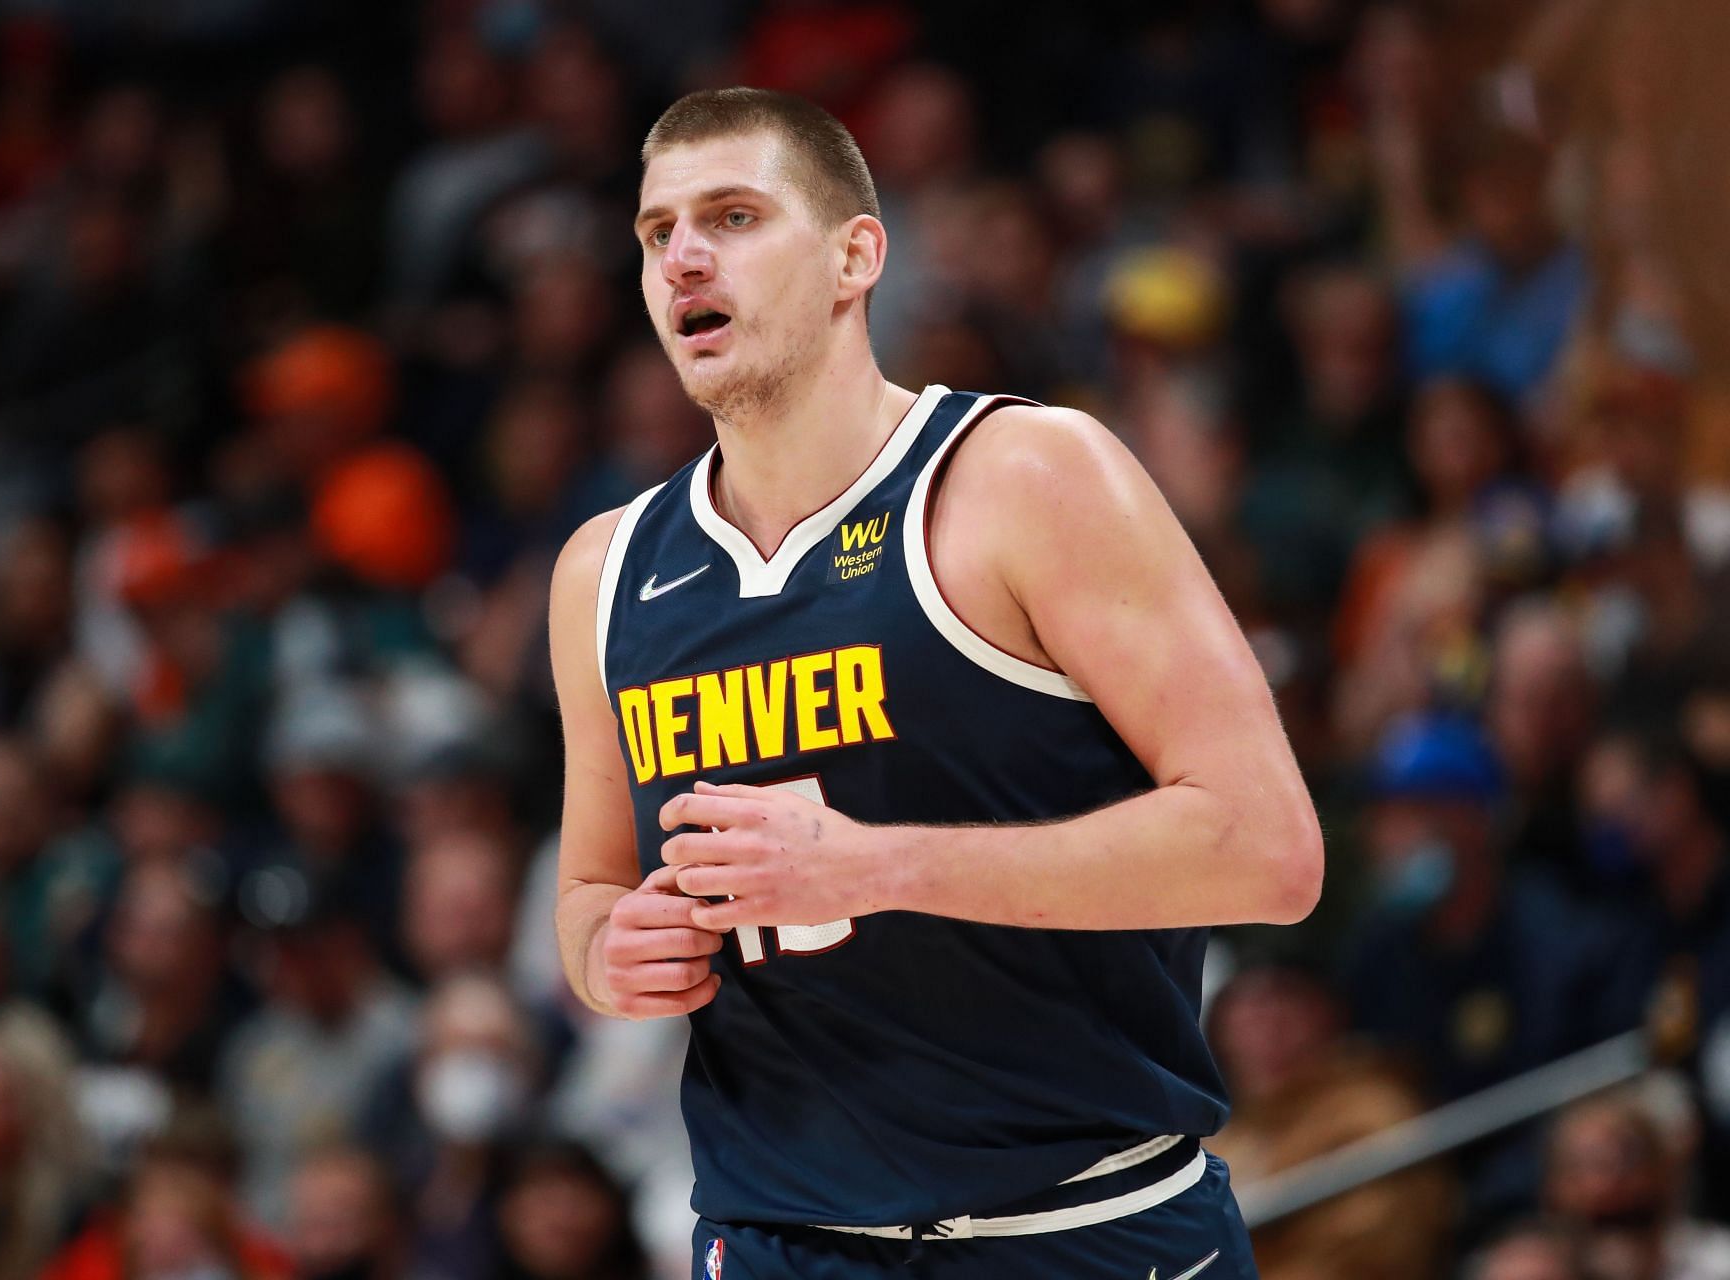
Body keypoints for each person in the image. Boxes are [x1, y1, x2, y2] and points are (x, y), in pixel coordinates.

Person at [547, 88, 1323, 1278]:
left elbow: (1267, 850)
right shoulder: (604, 569)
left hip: (1083, 1229)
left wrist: (876, 864)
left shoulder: (1025, 476)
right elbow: (594, 887)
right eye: (657, 234)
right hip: (776, 1238)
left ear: (857, 254)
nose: (684, 257)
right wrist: (613, 952)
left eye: (734, 215)